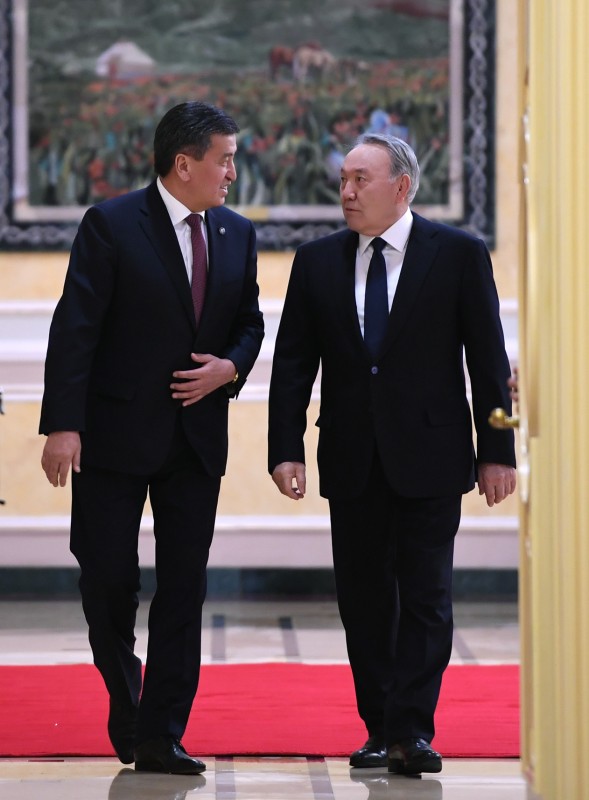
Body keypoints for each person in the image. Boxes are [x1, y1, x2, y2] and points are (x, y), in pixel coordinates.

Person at [268, 133, 516, 776]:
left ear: (401, 186)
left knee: (427, 597)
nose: (347, 192)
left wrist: (498, 451)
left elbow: (488, 358)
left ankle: (411, 731)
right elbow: (293, 364)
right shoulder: (316, 261)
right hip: (351, 456)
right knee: (365, 600)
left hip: (432, 454)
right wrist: (285, 449)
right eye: (343, 180)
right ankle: (379, 727)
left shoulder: (457, 254)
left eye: (361, 179)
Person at [39, 101, 264, 775]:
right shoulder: (110, 225)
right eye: (224, 160)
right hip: (111, 436)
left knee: (184, 589)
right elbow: (75, 328)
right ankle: (127, 695)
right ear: (183, 164)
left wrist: (230, 367)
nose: (232, 173)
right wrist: (63, 425)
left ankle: (161, 733)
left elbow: (249, 323)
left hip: (195, 441)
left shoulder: (237, 233)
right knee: (107, 580)